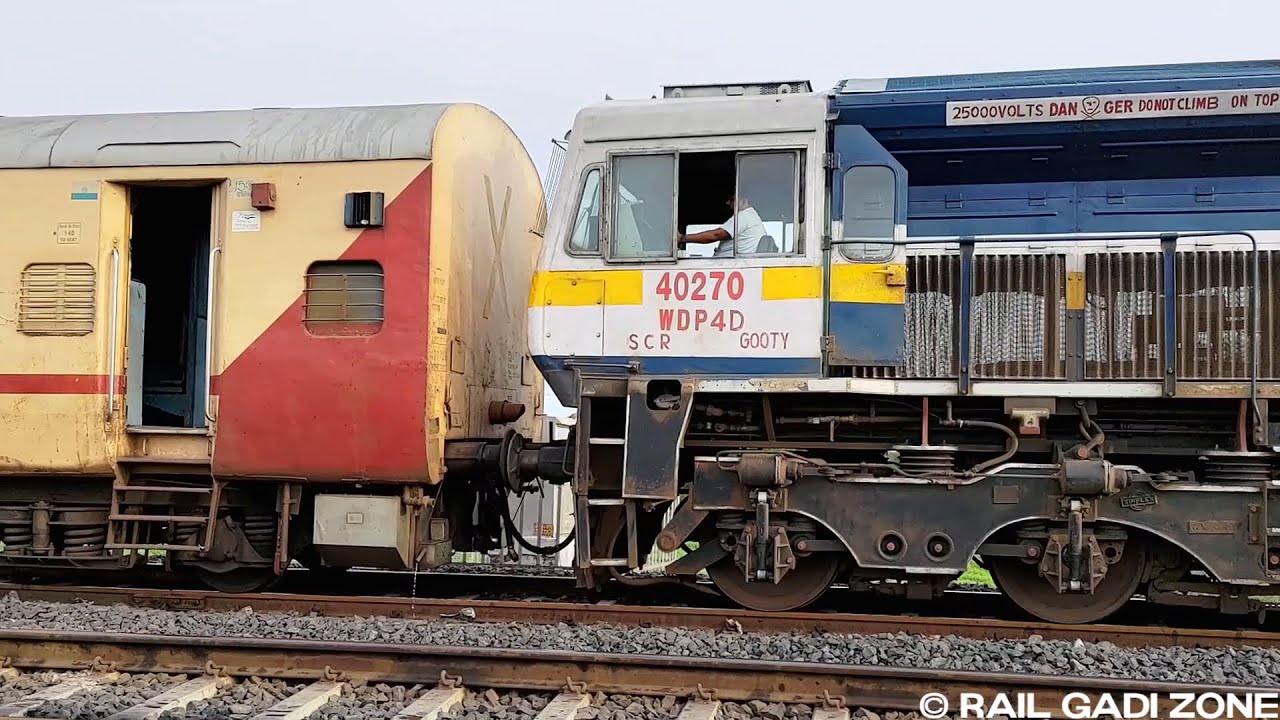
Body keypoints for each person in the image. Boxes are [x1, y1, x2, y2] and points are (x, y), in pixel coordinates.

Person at [678, 190, 766, 257]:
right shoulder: (751, 216)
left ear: (744, 200)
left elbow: (716, 235)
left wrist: (681, 238)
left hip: (730, 265)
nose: (727, 203)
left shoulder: (744, 216)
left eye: (732, 199)